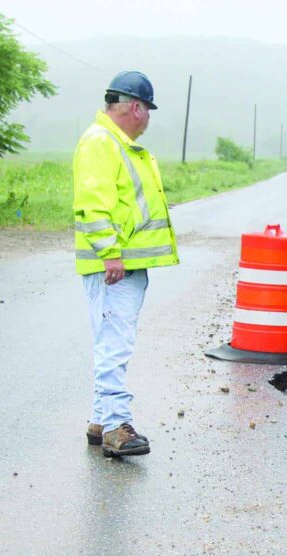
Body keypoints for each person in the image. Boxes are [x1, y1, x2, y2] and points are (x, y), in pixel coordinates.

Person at [74, 71, 179, 457]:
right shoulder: (102, 142)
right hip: (112, 267)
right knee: (114, 344)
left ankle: (101, 419)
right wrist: (110, 253)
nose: (149, 118)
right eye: (148, 110)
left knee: (113, 340)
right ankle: (117, 426)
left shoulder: (115, 143)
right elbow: (92, 203)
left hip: (121, 265)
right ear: (135, 107)